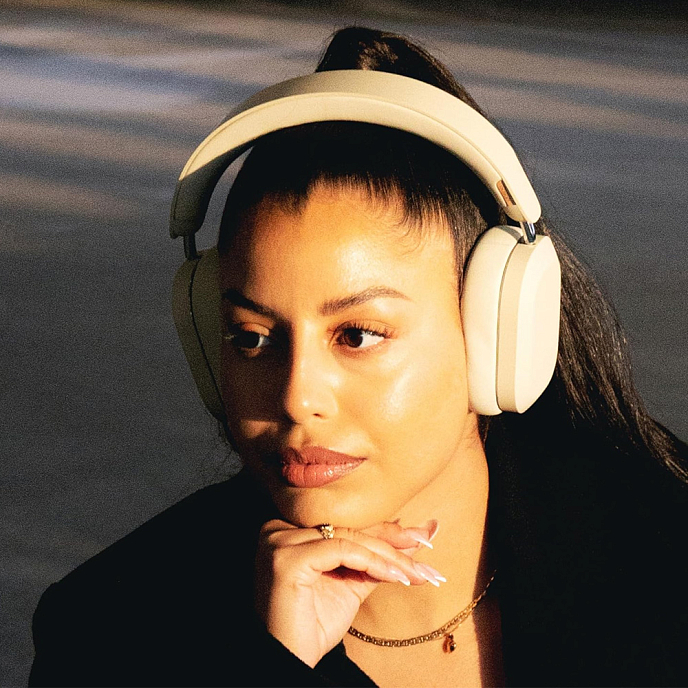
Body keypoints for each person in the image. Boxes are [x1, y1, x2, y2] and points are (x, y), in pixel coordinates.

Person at [29, 27, 688, 688]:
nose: (296, 397)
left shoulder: (663, 545)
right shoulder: (107, 633)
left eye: (358, 335)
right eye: (252, 338)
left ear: (500, 335)